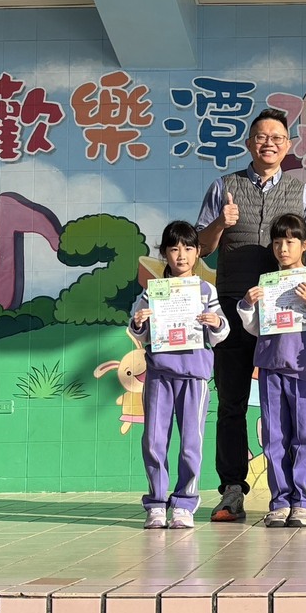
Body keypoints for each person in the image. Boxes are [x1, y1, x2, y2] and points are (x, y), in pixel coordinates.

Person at [196, 108, 306, 522]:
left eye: (277, 137)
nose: (269, 143)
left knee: (293, 407)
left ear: (288, 145)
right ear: (249, 143)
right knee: (232, 401)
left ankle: (298, 494)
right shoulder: (224, 186)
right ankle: (232, 490)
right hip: (236, 303)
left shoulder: (302, 191)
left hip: (289, 313)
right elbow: (203, 246)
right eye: (261, 137)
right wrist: (221, 223)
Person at [236, 213, 306, 527]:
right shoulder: (267, 282)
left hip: (305, 369)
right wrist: (246, 305)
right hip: (270, 367)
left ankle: (303, 502)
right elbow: (257, 328)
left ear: (305, 245)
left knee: (304, 436)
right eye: (278, 242)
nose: (283, 248)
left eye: (291, 242)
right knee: (274, 438)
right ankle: (280, 502)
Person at [129, 221, 230, 529]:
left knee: (191, 442)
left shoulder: (206, 291)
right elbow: (138, 331)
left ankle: (185, 503)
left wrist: (215, 322)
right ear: (164, 253)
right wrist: (139, 322)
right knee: (154, 441)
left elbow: (222, 331)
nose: (181, 255)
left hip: (194, 375)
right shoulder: (153, 292)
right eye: (174, 249)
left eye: (188, 248)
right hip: (159, 374)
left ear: (198, 252)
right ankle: (156, 504)